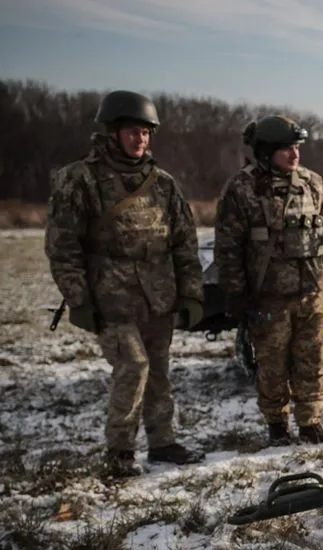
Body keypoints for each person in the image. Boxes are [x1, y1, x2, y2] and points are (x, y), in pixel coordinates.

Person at [45, 89, 206, 478]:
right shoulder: (79, 180)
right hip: (110, 299)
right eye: (133, 131)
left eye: (147, 133)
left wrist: (191, 295)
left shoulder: (163, 184)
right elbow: (62, 246)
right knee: (133, 367)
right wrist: (79, 299)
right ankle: (119, 451)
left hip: (159, 296)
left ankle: (162, 441)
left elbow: (184, 242)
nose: (141, 140)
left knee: (160, 370)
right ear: (113, 132)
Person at [213, 115, 323, 446]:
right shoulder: (242, 188)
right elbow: (228, 246)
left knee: (312, 360)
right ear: (265, 152)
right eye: (286, 149)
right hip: (269, 298)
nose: (294, 156)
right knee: (272, 364)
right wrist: (235, 290)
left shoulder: (312, 183)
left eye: (297, 148)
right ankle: (277, 426)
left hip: (312, 294)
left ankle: (311, 423)